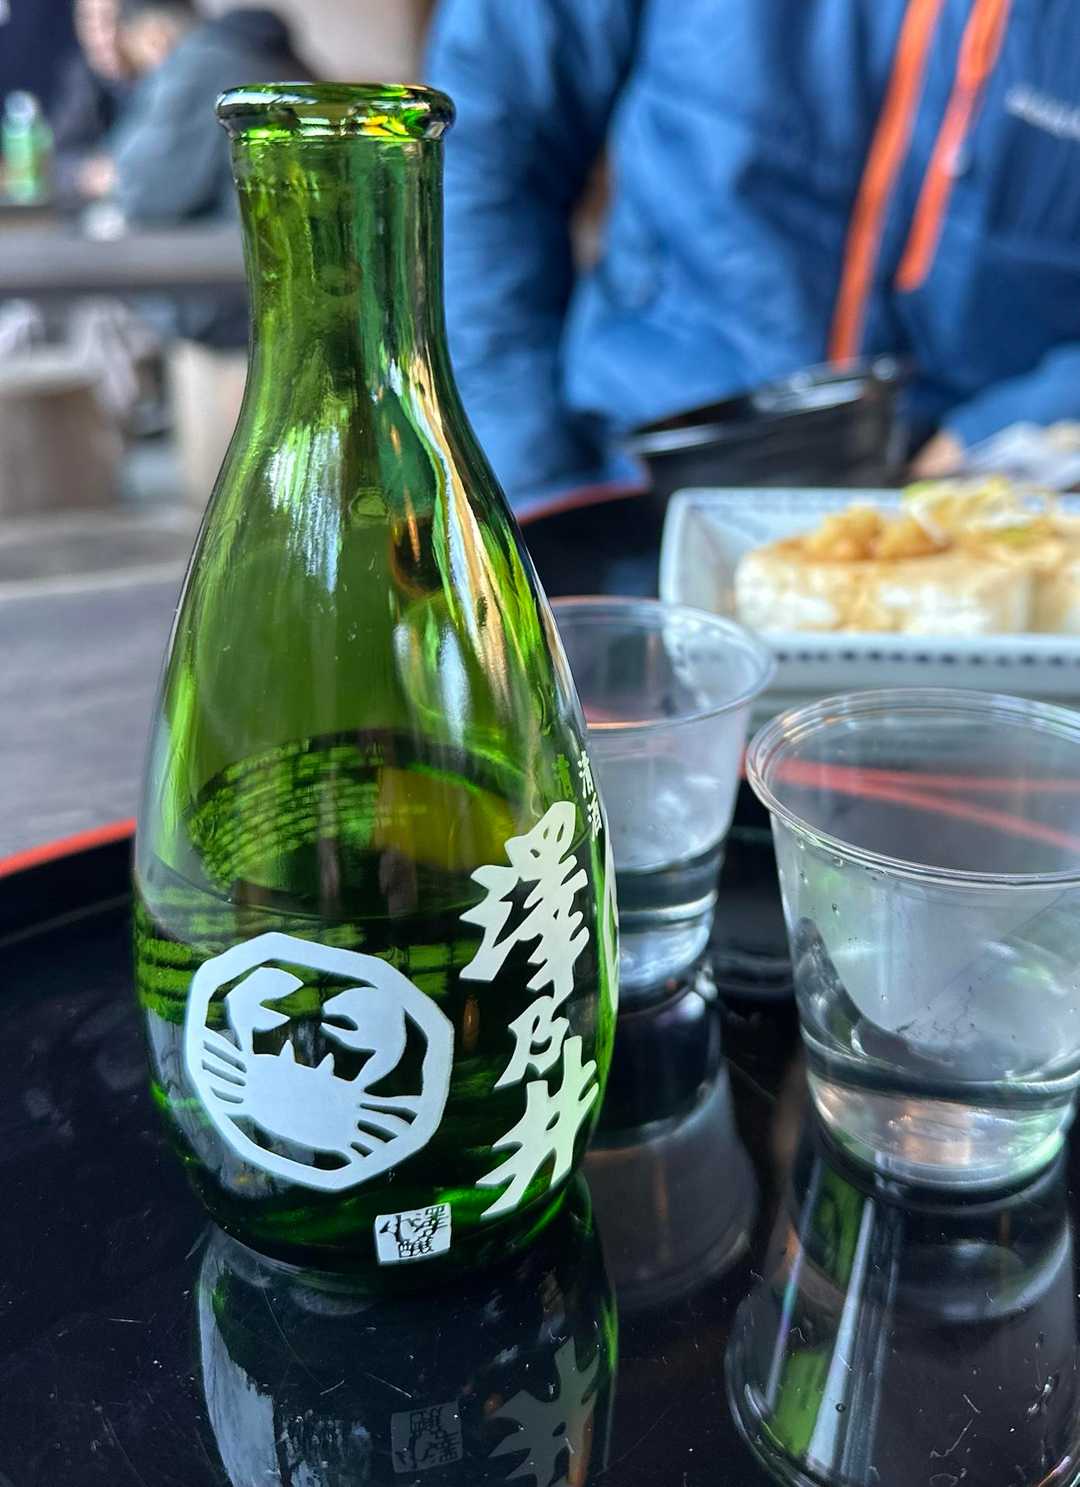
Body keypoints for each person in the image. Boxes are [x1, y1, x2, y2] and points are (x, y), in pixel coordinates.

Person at [428, 0, 1080, 503]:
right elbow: (481, 145)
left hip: (994, 517)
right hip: (626, 475)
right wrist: (523, 482)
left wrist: (1022, 424)